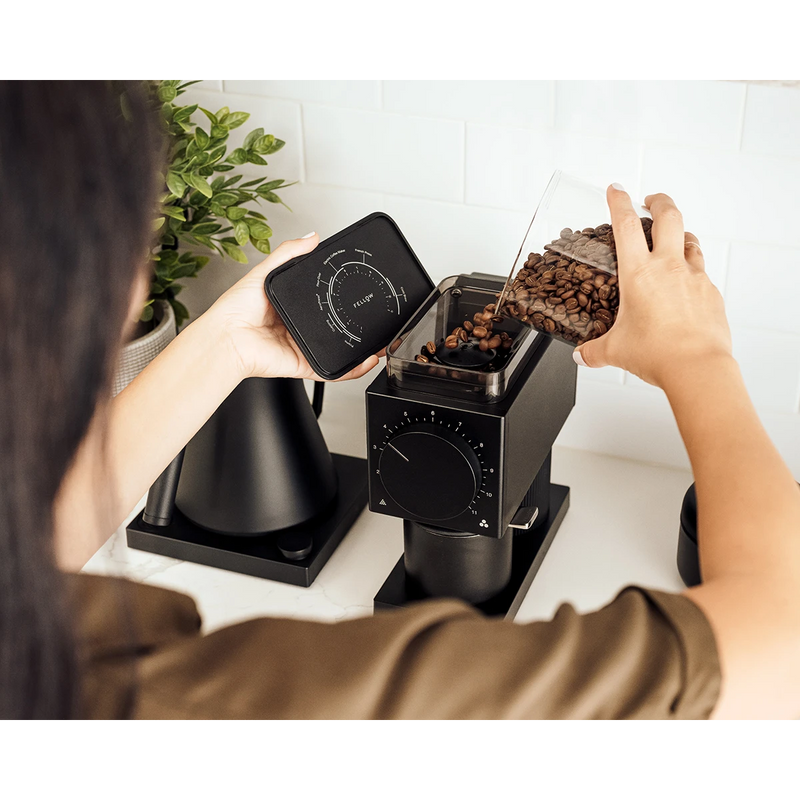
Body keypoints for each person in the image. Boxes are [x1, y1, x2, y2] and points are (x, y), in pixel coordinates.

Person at [2, 78, 799, 724]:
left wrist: (225, 348)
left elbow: (29, 544)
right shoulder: (231, 695)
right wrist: (700, 355)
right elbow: (782, 643)